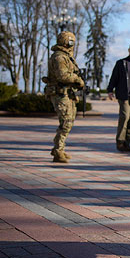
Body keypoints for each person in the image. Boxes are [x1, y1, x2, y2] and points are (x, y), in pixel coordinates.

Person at [43, 31, 85, 163]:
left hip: (67, 94)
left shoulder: (67, 56)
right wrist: (78, 80)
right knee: (66, 122)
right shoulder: (59, 57)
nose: (72, 44)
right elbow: (63, 76)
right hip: (60, 94)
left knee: (69, 121)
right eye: (70, 41)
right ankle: (58, 150)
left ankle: (59, 148)